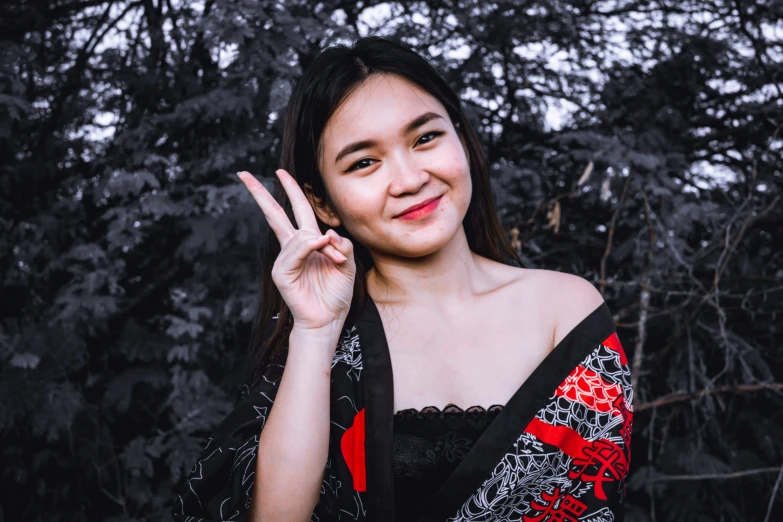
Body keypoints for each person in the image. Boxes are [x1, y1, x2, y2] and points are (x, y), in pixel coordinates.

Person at [171, 35, 633, 522]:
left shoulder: (564, 308)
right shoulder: (325, 342)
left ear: (461, 137)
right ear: (323, 202)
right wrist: (314, 332)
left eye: (426, 138)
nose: (409, 179)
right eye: (364, 162)